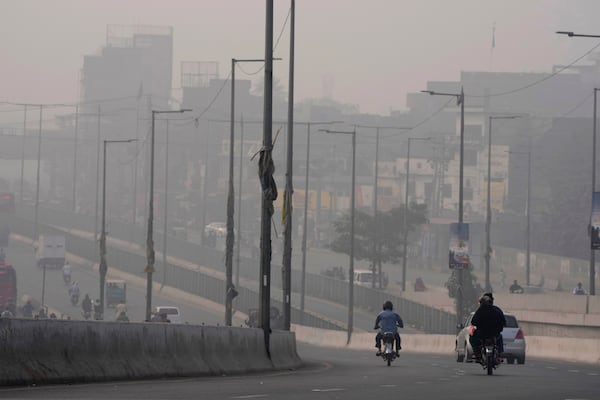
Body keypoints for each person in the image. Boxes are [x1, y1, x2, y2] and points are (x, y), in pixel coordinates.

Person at [469, 295, 505, 361]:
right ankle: (499, 354)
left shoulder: (480, 311)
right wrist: (499, 329)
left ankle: (477, 354)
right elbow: (503, 322)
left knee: (472, 338)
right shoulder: (496, 310)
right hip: (494, 333)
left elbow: (473, 322)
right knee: (499, 338)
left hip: (482, 334)